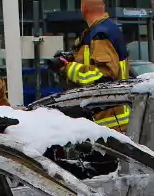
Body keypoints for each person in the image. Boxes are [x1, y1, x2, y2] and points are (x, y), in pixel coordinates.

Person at [51, 0, 130, 131]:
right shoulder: (105, 30)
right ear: (103, 7)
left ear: (83, 9)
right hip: (111, 116)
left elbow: (105, 75)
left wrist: (68, 68)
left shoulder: (100, 35)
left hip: (109, 121)